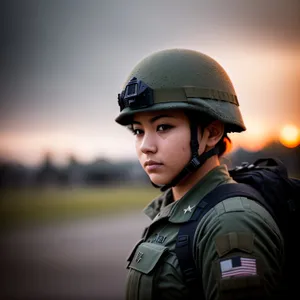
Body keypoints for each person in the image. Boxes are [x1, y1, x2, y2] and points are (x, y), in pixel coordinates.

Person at [115, 48, 284, 300]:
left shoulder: (231, 222)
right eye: (138, 131)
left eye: (163, 127)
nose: (146, 146)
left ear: (212, 133)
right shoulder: (175, 211)